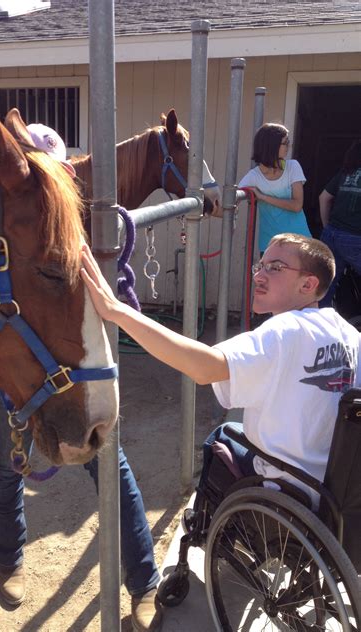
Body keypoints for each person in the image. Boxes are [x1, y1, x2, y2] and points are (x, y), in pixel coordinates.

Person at [0, 124, 162, 632]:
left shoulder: (76, 234)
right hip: (8, 376)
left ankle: (144, 582)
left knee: (110, 467)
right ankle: (8, 558)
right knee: (6, 465)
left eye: (59, 177)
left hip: (74, 374)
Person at [81, 233, 360, 510]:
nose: (259, 276)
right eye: (259, 266)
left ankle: (207, 526)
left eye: (275, 268)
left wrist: (117, 311)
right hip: (337, 495)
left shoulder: (284, 331)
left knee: (223, 436)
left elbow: (206, 368)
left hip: (287, 492)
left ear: (308, 284)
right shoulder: (350, 335)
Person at [239, 123, 311, 254]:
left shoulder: (293, 167)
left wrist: (263, 197)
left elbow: (297, 205)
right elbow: (232, 199)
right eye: (285, 142)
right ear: (272, 146)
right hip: (270, 245)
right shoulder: (253, 176)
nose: (289, 145)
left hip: (299, 242)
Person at [319, 139, 361, 308]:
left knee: (325, 284)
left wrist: (326, 226)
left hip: (331, 234)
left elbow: (324, 197)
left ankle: (318, 326)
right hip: (355, 238)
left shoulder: (345, 173)